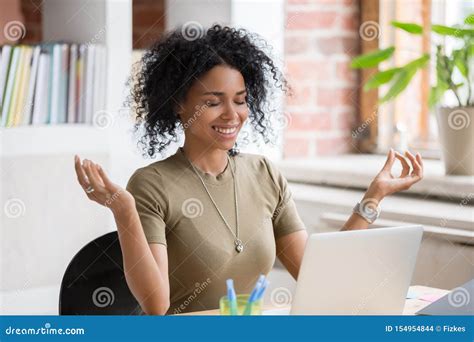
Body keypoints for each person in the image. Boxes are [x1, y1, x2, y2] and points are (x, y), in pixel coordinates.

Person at [74, 24, 424, 315]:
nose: (232, 114)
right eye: (213, 102)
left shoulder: (264, 174)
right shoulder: (152, 184)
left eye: (240, 100)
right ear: (179, 104)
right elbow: (155, 305)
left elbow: (319, 275)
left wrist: (373, 197)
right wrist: (123, 211)